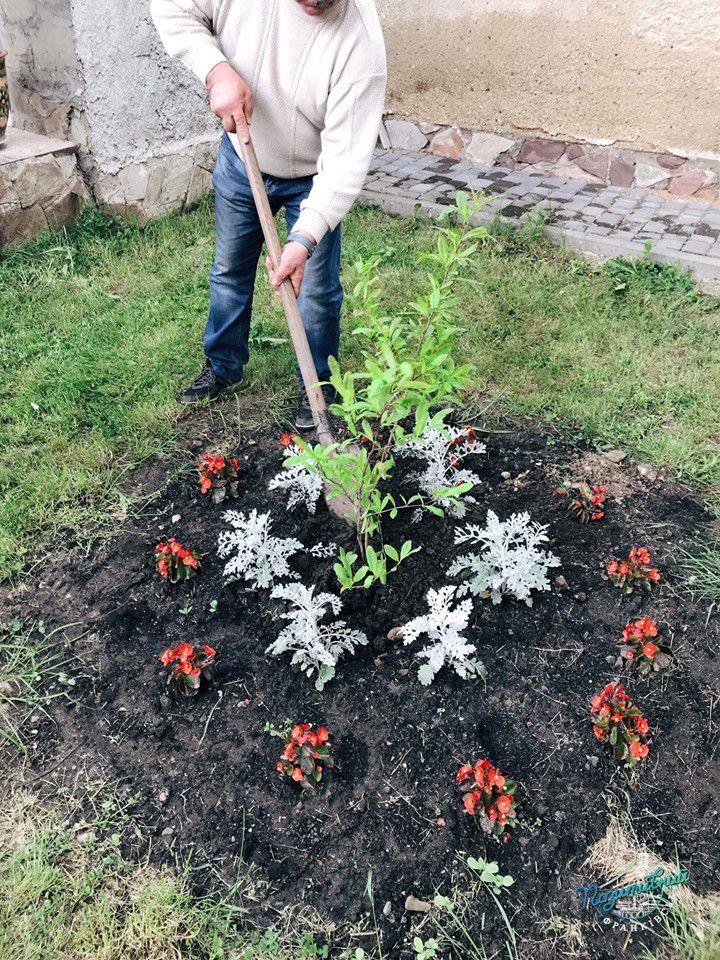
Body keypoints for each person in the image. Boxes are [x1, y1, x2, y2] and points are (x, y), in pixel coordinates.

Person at [150, 0, 387, 428]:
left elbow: (345, 164)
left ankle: (316, 387)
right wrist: (214, 68)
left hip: (313, 178)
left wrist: (305, 237)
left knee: (315, 291)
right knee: (230, 269)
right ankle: (223, 365)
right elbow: (171, 7)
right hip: (243, 157)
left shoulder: (360, 45)